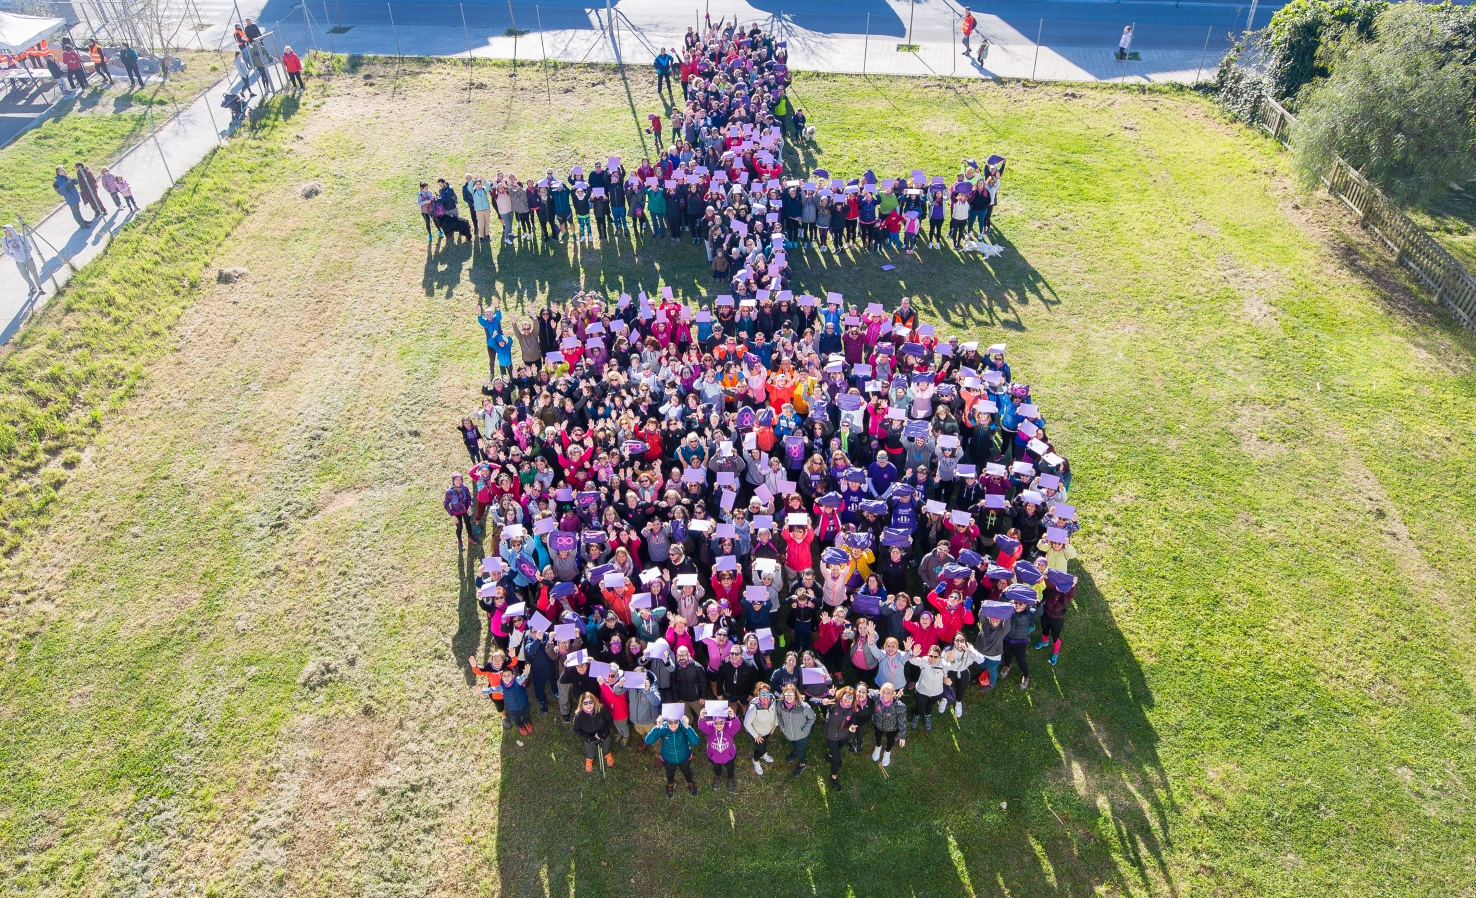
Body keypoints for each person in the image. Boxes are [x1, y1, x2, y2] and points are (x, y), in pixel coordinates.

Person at [645, 711, 701, 798]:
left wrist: (688, 727)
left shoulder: (683, 727)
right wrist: (657, 727)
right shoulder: (663, 728)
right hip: (668, 759)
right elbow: (648, 741)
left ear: (680, 721)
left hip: (684, 758)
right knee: (670, 773)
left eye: (676, 722)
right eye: (670, 722)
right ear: (666, 722)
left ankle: (689, 782)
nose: (673, 725)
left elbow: (695, 742)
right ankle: (670, 784)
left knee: (687, 772)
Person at [820, 685, 859, 788]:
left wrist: (851, 727)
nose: (848, 699)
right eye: (847, 696)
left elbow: (852, 721)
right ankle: (833, 778)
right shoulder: (833, 704)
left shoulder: (853, 709)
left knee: (838, 748)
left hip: (843, 735)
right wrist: (824, 700)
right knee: (837, 761)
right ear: (842, 695)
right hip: (830, 735)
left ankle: (830, 755)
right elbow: (814, 701)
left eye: (851, 698)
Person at [697, 703, 742, 791]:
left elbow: (737, 726)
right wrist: (702, 718)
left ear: (724, 721)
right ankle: (718, 775)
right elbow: (702, 726)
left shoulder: (728, 728)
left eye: (721, 722)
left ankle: (730, 778)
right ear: (713, 722)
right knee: (716, 767)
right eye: (716, 723)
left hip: (728, 756)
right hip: (713, 757)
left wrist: (733, 717)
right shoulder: (710, 728)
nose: (719, 725)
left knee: (730, 767)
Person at [775, 682, 815, 777]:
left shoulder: (803, 707)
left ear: (795, 694)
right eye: (787, 694)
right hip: (788, 734)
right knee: (794, 744)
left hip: (801, 735)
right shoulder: (780, 704)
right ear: (783, 694)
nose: (789, 697)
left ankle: (802, 764)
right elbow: (779, 715)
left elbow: (812, 717)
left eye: (791, 694)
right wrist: (782, 726)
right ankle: (795, 752)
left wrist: (804, 731)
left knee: (799, 751)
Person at [573, 692, 616, 772]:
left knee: (606, 746)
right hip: (589, 737)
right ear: (581, 704)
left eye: (590, 702)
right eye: (585, 703)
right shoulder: (579, 716)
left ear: (594, 701)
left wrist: (604, 732)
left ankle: (607, 754)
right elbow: (576, 729)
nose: (588, 706)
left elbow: (610, 721)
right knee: (590, 751)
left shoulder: (601, 709)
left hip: (604, 734)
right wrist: (586, 737)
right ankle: (589, 759)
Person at [3, 225, 41, 297]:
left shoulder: (20, 237)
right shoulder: (4, 240)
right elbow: (6, 251)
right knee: (24, 275)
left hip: (28, 259)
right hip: (18, 261)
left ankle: (40, 287)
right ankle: (33, 288)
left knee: (34, 272)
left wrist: (25, 254)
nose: (5, 233)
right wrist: (14, 256)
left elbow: (29, 247)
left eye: (6, 231)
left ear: (10, 230)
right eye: (4, 231)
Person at [443, 472, 475, 548]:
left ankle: (470, 536)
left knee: (468, 524)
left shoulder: (465, 488)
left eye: (460, 479)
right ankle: (459, 540)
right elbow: (445, 504)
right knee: (459, 527)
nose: (458, 481)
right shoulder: (449, 492)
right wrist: (452, 515)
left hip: (466, 510)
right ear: (453, 480)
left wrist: (470, 506)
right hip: (456, 513)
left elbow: (469, 497)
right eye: (456, 480)